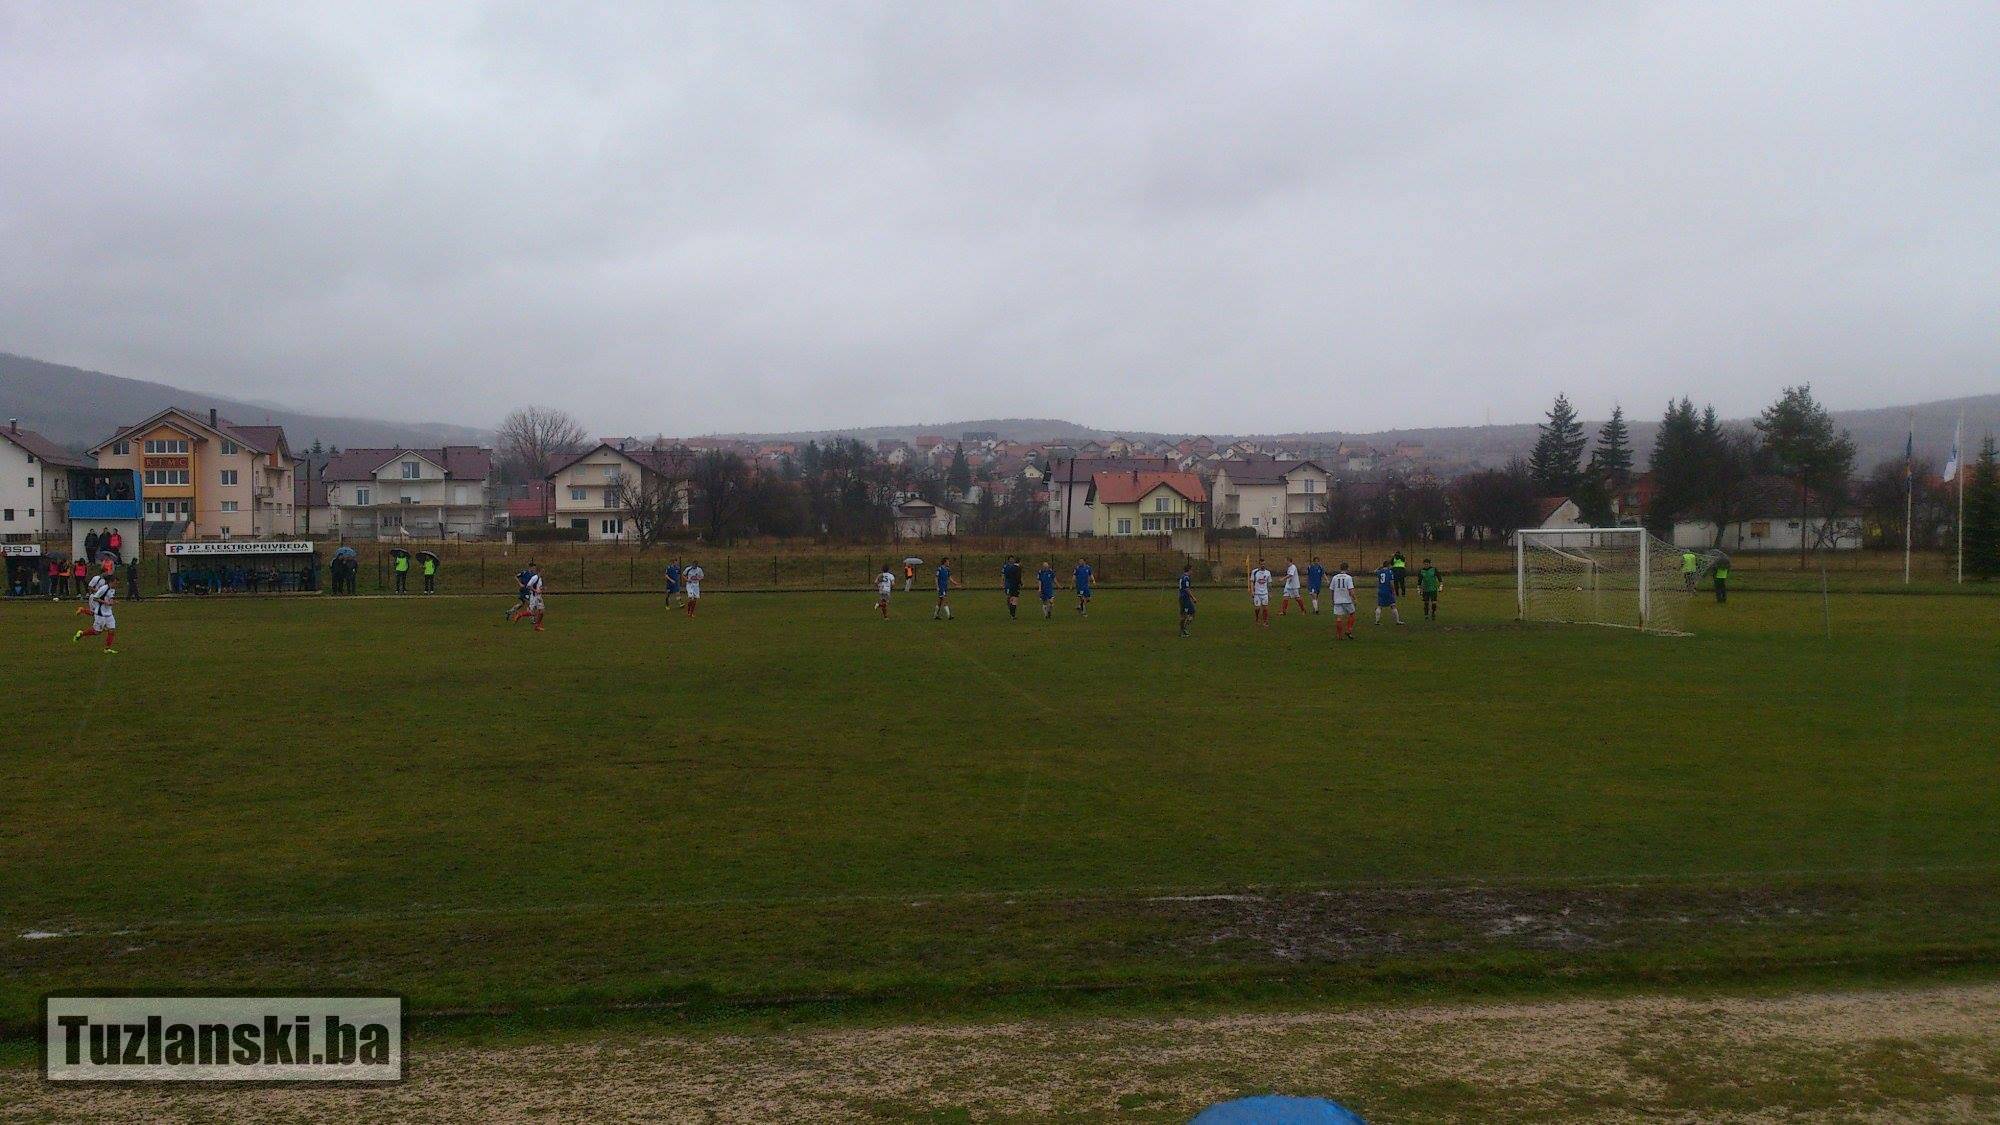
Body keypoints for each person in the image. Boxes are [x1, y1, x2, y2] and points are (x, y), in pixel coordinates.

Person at [72, 559, 118, 653]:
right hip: (95, 598)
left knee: (112, 630)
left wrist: (112, 601)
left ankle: (107, 649)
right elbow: (90, 588)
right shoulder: (98, 580)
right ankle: (81, 633)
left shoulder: (110, 587)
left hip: (108, 613)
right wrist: (104, 600)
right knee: (96, 630)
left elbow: (111, 596)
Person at [507, 562, 545, 630]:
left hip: (539, 597)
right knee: (532, 612)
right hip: (534, 597)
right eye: (542, 571)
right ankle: (519, 614)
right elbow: (528, 586)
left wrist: (542, 589)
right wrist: (536, 591)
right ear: (539, 571)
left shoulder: (540, 578)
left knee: (541, 612)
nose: (543, 572)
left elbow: (539, 587)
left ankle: (537, 626)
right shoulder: (534, 577)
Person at [1329, 562, 1357, 639]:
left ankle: (1339, 635)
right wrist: (1354, 598)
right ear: (1347, 568)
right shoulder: (1348, 577)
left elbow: (1332, 590)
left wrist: (1333, 599)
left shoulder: (1335, 577)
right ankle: (1349, 630)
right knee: (1352, 614)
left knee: (1339, 617)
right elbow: (1350, 590)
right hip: (1347, 600)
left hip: (1337, 600)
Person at [1374, 559, 1402, 625]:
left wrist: (1380, 567)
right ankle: (1397, 621)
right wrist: (1393, 591)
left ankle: (1377, 621)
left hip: (1381, 590)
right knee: (1393, 605)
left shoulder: (1380, 571)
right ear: (1389, 565)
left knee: (1379, 606)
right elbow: (1391, 583)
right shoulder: (1390, 572)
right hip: (1388, 591)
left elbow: (1374, 571)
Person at [1249, 561, 1272, 626]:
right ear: (1259, 565)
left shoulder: (1268, 573)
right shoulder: (1254, 572)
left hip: (1265, 593)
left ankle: (1265, 621)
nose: (1263, 565)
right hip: (1257, 594)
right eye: (1261, 564)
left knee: (1265, 608)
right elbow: (1251, 582)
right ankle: (1257, 617)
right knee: (1257, 608)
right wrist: (1252, 591)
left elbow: (1269, 583)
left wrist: (1270, 593)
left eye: (1264, 564)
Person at [1178, 563, 1197, 637]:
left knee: (1184, 614)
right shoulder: (1186, 578)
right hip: (1185, 598)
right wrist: (1193, 597)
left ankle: (1183, 630)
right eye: (1192, 570)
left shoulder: (1182, 577)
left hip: (1181, 597)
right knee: (1190, 613)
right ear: (1189, 570)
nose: (1192, 572)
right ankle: (1183, 630)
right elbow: (1186, 589)